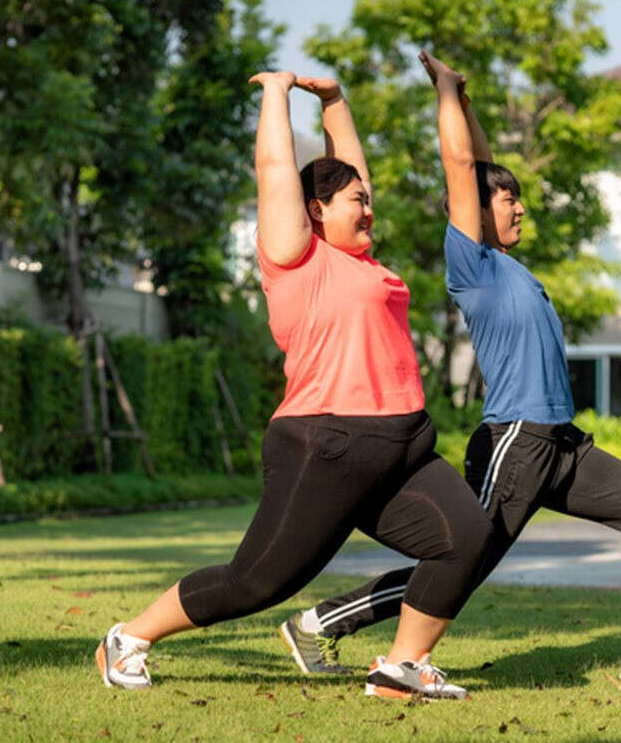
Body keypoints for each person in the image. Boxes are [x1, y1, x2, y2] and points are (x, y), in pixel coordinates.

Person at [279, 52, 621, 690]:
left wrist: (469, 101)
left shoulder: (514, 268)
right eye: (507, 201)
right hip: (514, 439)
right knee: (464, 557)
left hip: (562, 442)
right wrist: (447, 93)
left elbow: (476, 165)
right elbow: (463, 167)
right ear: (478, 211)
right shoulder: (472, 261)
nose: (518, 210)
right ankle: (319, 624)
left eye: (518, 200)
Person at [95, 70, 492, 701]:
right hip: (326, 444)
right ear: (314, 212)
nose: (369, 208)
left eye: (367, 200)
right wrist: (276, 94)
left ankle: (401, 666)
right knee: (257, 581)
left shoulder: (362, 261)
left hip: (404, 444)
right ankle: (130, 637)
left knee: (467, 538)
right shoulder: (295, 258)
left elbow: (349, 168)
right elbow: (277, 170)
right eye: (355, 202)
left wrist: (335, 102)